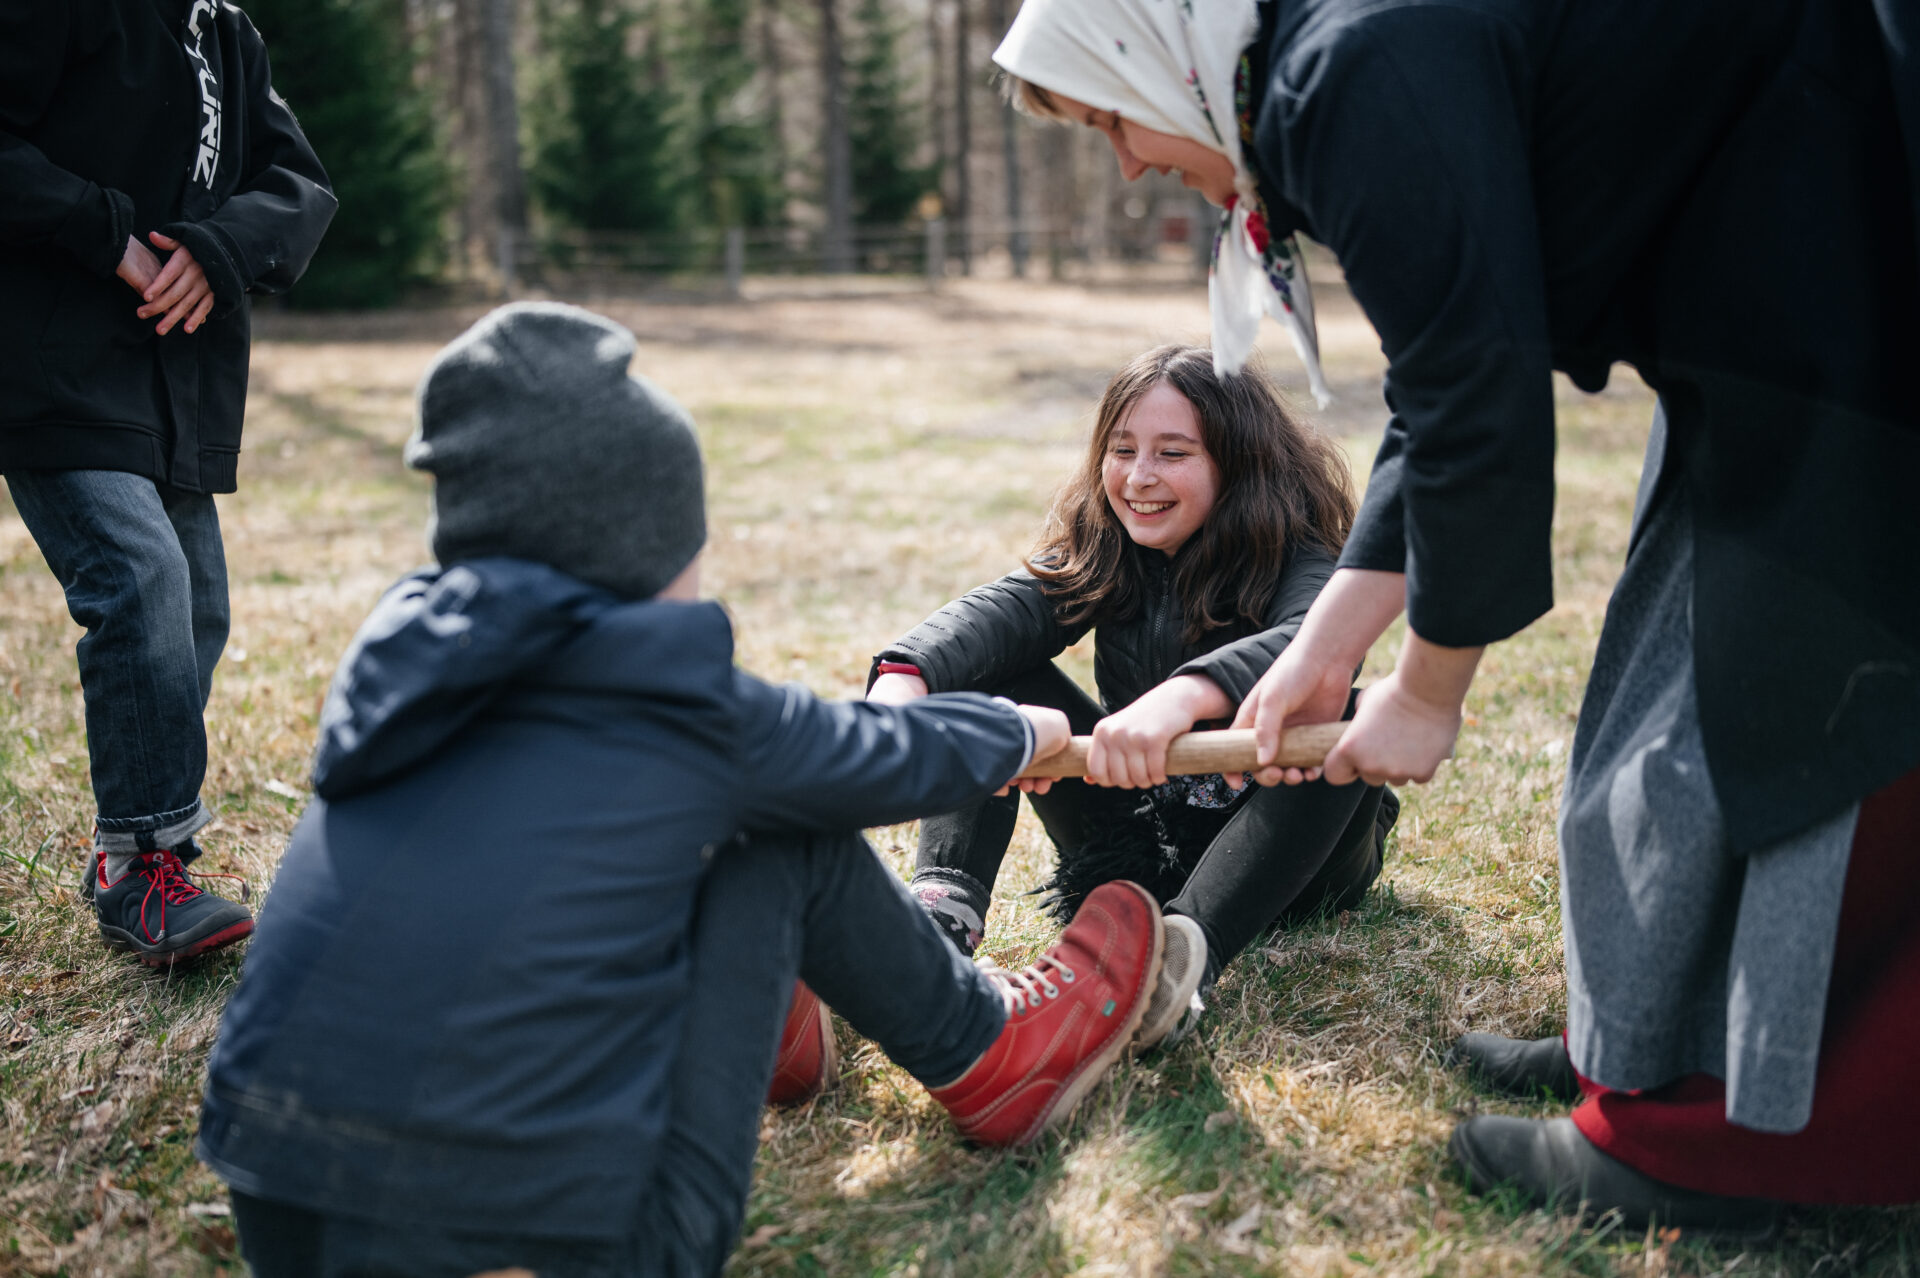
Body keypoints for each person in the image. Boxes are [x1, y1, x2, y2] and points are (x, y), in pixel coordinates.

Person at [991, 0, 1920, 1232]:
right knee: (1656, 707)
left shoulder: (1352, 69)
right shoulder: (1331, 67)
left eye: (1112, 116)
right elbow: (1440, 403)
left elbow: (1483, 402)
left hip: (1853, 288)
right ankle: (1651, 1057)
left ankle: (1756, 1144)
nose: (1128, 158)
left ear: (1156, 53)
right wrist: (1326, 656)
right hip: (1746, 329)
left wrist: (1426, 690)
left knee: (1807, 711)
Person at [195, 303, 1170, 1278]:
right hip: (572, 1250)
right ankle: (990, 1053)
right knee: (778, 828)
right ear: (641, 549)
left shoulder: (405, 680)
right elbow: (867, 757)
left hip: (284, 1216)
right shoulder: (665, 703)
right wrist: (1021, 727)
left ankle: (782, 1025)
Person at [869, 343, 1396, 1050]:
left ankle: (1183, 958)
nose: (1139, 477)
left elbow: (1317, 640)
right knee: (982, 673)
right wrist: (904, 678)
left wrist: (1182, 697)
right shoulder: (1108, 548)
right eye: (1123, 450)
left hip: (1290, 861)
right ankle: (939, 919)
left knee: (1350, 718)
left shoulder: (1299, 556)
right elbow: (1005, 613)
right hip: (1134, 835)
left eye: (1173, 453)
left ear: (1237, 463)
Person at [0, 0, 337, 965]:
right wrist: (107, 235)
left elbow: (300, 183)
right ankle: (145, 864)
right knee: (141, 581)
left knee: (194, 614)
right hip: (53, 362)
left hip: (175, 377)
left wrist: (219, 248)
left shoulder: (224, 29)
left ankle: (131, 847)